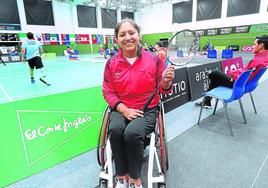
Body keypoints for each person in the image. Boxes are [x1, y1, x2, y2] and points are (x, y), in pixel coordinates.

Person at [102, 19, 175, 188]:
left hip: (147, 109)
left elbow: (163, 89)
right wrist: (123, 109)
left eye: (131, 33)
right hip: (121, 108)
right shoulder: (111, 63)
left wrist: (166, 81)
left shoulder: (154, 60)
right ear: (116, 39)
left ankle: (135, 178)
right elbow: (107, 91)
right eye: (122, 34)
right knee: (115, 130)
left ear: (139, 35)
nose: (127, 37)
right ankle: (121, 176)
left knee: (132, 133)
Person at [195, 35, 268, 109]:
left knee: (215, 73)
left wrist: (232, 77)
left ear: (261, 45)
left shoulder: (257, 60)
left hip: (237, 84)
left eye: (254, 44)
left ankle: (207, 100)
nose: (252, 46)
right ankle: (207, 101)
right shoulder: (264, 57)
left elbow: (245, 75)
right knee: (216, 77)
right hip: (246, 84)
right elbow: (246, 72)